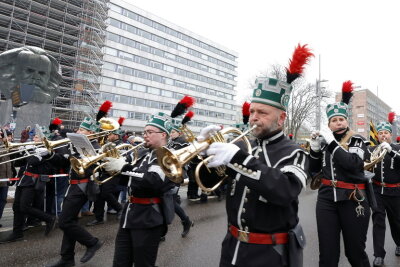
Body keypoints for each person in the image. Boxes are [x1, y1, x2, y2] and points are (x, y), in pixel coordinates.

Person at [197, 44, 312, 267]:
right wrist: (203, 155)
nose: (254, 118)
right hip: (231, 245)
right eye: (252, 112)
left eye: (262, 113)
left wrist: (237, 159)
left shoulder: (294, 152)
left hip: (269, 253)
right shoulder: (242, 145)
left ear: (280, 119)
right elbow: (211, 184)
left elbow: (285, 191)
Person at [309, 81, 371, 267]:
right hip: (326, 199)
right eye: (334, 120)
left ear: (346, 121)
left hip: (354, 198)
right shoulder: (324, 141)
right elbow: (313, 170)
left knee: (355, 253)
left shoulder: (357, 139)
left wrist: (332, 143)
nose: (338, 122)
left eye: (341, 119)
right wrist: (313, 149)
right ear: (329, 124)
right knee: (327, 255)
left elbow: (353, 164)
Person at [103, 112, 175, 267]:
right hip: (129, 214)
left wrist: (124, 168)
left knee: (144, 263)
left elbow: (153, 181)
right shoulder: (142, 153)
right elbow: (127, 178)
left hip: (148, 217)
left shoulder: (168, 157)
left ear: (163, 135)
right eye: (144, 132)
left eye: (149, 132)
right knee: (120, 263)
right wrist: (110, 165)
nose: (145, 136)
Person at [46, 116, 106, 267]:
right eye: (79, 128)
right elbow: (64, 162)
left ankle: (92, 242)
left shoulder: (96, 148)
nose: (77, 131)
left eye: (81, 129)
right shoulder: (77, 145)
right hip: (72, 185)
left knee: (64, 221)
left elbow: (95, 170)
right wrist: (49, 154)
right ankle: (67, 258)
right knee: (70, 221)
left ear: (91, 133)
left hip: (82, 186)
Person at [0, 132, 58, 244]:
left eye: (36, 137)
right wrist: (22, 152)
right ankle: (17, 233)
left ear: (43, 139)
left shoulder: (45, 152)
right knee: (16, 207)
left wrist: (30, 151)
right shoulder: (34, 149)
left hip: (33, 182)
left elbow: (33, 162)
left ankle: (49, 218)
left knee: (25, 207)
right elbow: (19, 163)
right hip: (24, 180)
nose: (33, 138)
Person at [370, 121, 400, 266]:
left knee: (397, 222)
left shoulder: (397, 148)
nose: (383, 136)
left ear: (390, 135)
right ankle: (378, 255)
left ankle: (399, 243)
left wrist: (391, 152)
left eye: (386, 133)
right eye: (381, 133)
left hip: (395, 192)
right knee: (378, 222)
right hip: (377, 191)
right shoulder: (372, 149)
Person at [87, 129, 123, 226]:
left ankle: (120, 208)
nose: (108, 135)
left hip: (114, 172)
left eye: (110, 134)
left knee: (105, 192)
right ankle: (99, 218)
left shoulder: (120, 144)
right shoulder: (107, 143)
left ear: (116, 135)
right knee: (99, 194)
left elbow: (120, 158)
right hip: (104, 171)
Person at [166, 120, 193, 238]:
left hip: (178, 173)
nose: (171, 134)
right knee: (167, 199)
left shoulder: (183, 142)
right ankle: (162, 230)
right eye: (170, 132)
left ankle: (186, 221)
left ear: (179, 133)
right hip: (169, 172)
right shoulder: (171, 142)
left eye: (173, 132)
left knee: (169, 200)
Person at [0, 130, 16, 228]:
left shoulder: (6, 146)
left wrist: (10, 176)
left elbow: (9, 162)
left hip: (5, 179)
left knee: (2, 200)